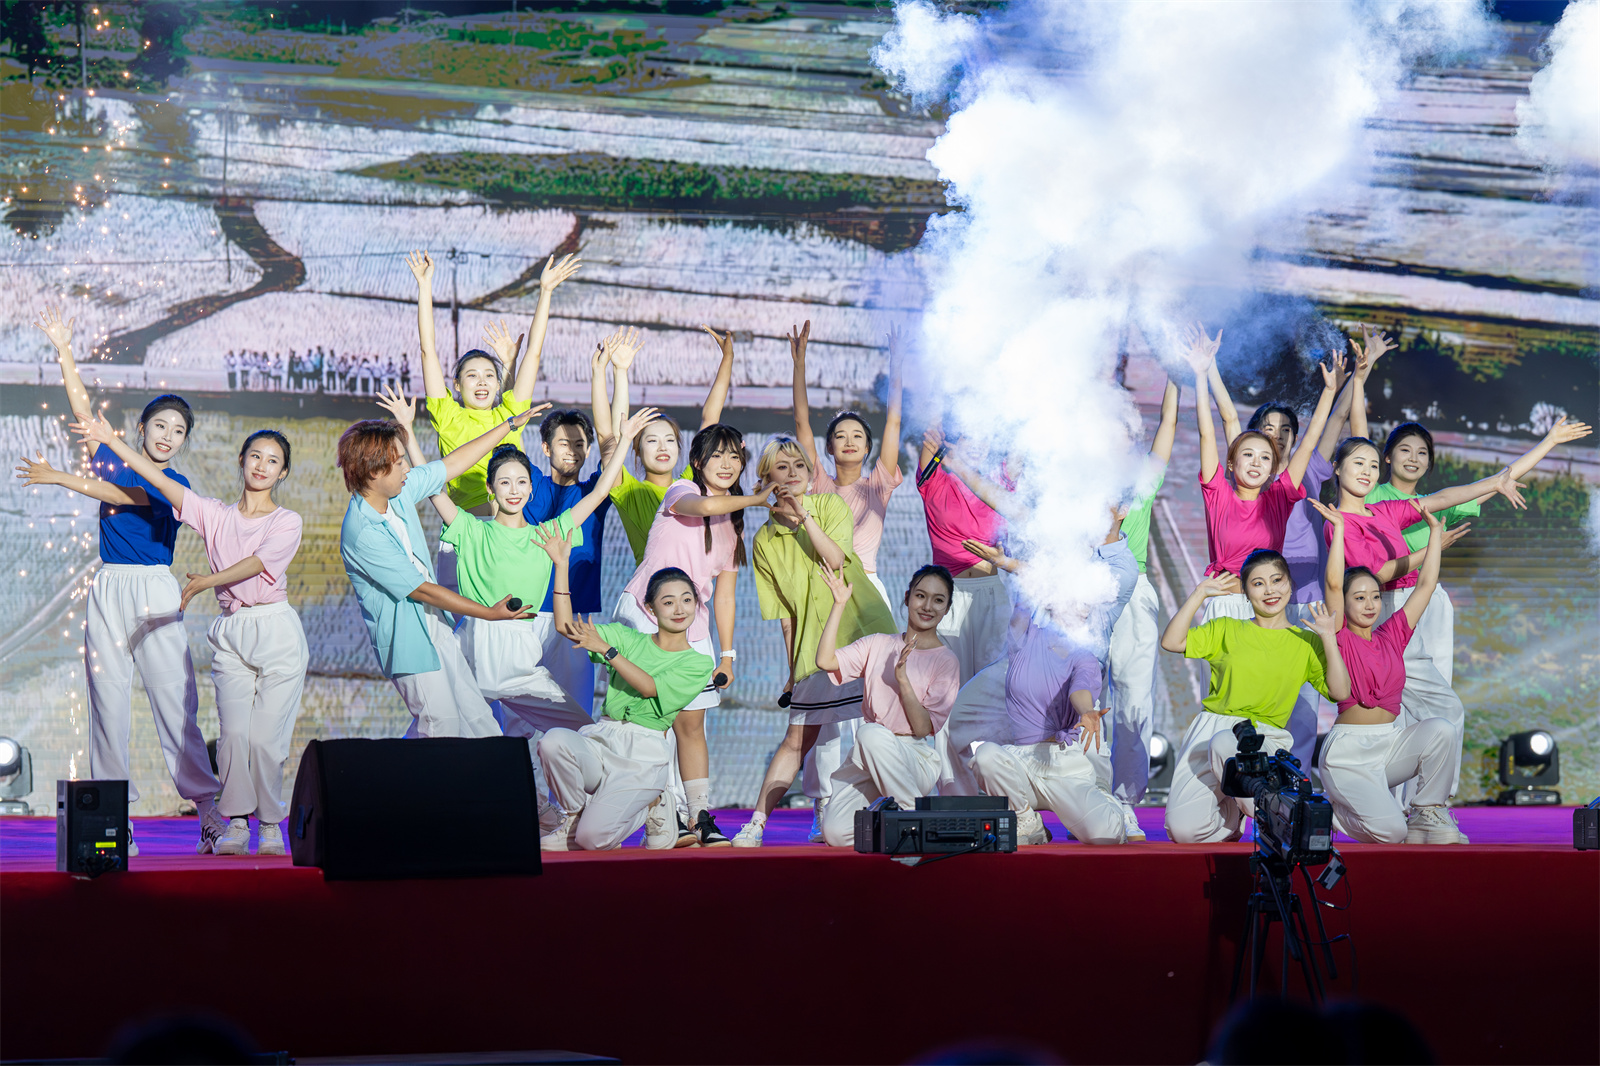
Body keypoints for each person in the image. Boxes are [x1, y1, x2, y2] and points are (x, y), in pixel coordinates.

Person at [380, 386, 657, 815]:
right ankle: (384, 798)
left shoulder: (548, 534)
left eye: (521, 482)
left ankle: (575, 812)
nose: (514, 489)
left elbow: (600, 491)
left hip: (522, 663)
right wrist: (407, 430)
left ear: (530, 490)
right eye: (505, 482)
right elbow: (432, 484)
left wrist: (625, 441)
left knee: (583, 731)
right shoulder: (470, 529)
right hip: (471, 657)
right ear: (490, 489)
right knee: (437, 736)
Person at [18, 308, 224, 857]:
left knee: (174, 700)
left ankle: (208, 810)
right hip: (109, 588)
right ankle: (115, 818)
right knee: (106, 701)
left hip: (154, 589)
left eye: (178, 431)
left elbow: (123, 497)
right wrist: (65, 349)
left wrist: (61, 477)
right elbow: (83, 410)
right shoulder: (111, 460)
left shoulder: (173, 482)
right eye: (161, 426)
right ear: (142, 429)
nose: (169, 436)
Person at [73, 417, 307, 858]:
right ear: (241, 460)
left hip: (273, 626)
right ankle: (235, 821)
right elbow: (154, 479)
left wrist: (207, 581)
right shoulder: (214, 513)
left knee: (260, 740)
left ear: (283, 472)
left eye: (273, 461)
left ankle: (266, 822)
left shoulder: (287, 520)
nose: (262, 466)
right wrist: (110, 441)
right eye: (255, 456)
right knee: (232, 738)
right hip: (228, 627)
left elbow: (258, 563)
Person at [336, 405, 547, 738]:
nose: (407, 468)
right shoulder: (362, 532)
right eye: (399, 462)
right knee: (441, 727)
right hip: (410, 642)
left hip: (437, 627)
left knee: (482, 724)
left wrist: (509, 425)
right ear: (374, 471)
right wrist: (489, 613)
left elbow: (452, 464)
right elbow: (422, 589)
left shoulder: (397, 494)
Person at [729, 436, 897, 847]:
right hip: (814, 649)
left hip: (863, 633)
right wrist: (792, 672)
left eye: (799, 466)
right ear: (765, 478)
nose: (792, 474)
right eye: (782, 467)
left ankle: (901, 813)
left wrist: (804, 516)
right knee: (797, 739)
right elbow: (786, 617)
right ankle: (756, 824)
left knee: (884, 729)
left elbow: (835, 560)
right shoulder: (763, 541)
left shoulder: (830, 507)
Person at [615, 424, 768, 846]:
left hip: (691, 625)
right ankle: (663, 815)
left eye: (734, 457)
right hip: (647, 614)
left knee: (692, 723)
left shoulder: (734, 524)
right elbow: (703, 506)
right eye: (717, 455)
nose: (727, 464)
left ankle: (698, 816)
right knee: (654, 722)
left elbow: (725, 596)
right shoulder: (680, 490)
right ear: (697, 462)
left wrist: (728, 655)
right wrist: (755, 499)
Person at [788, 321, 906, 831]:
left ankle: (872, 797)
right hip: (826, 594)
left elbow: (895, 420)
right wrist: (799, 365)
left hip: (869, 592)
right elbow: (800, 423)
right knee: (825, 703)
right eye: (841, 436)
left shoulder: (880, 483)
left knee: (872, 700)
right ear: (830, 448)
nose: (850, 441)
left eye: (859, 435)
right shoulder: (818, 483)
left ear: (869, 446)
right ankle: (823, 805)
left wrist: (898, 366)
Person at [1158, 550, 1350, 844]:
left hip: (1263, 738)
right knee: (1183, 831)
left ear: (1290, 585)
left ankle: (1264, 812)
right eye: (1258, 584)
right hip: (1211, 730)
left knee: (1227, 743)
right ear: (1246, 593)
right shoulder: (1226, 628)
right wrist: (1199, 594)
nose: (1270, 590)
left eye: (1277, 580)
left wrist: (1327, 638)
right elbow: (1172, 642)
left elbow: (1340, 692)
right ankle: (1234, 814)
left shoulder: (1306, 641)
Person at [535, 548, 715, 853]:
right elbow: (566, 628)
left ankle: (653, 802)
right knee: (553, 742)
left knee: (592, 841)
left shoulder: (697, 663)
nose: (679, 609)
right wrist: (561, 565)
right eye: (668, 602)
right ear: (650, 608)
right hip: (603, 740)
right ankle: (574, 818)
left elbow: (648, 687)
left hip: (643, 756)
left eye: (687, 600)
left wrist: (608, 652)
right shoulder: (626, 637)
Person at [1312, 500, 1462, 843]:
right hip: (1348, 755)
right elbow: (1333, 584)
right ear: (1345, 603)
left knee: (1441, 728)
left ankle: (1426, 810)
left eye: (1375, 597)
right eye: (1359, 598)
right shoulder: (1341, 635)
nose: (1369, 605)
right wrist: (1339, 532)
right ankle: (1333, 810)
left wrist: (1434, 535)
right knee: (1393, 833)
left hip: (1389, 745)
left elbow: (1425, 586)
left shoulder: (1392, 634)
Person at [1183, 323, 1339, 626]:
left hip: (1267, 610)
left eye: (1265, 457)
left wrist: (1330, 392)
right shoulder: (1218, 493)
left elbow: (1308, 443)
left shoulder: (1279, 497)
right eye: (1248, 455)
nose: (1256, 463)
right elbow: (1208, 431)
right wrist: (1202, 373)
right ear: (1231, 464)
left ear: (1272, 468)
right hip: (1224, 607)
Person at [809, 564, 962, 847]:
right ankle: (896, 818)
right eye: (921, 596)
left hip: (913, 757)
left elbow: (922, 728)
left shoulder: (946, 661)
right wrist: (839, 605)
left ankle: (914, 819)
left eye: (938, 600)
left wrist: (903, 680)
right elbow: (825, 661)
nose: (927, 606)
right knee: (836, 833)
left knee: (869, 732)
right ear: (907, 598)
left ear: (947, 608)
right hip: (869, 755)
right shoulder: (877, 644)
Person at [1104, 377, 1178, 839]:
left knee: (1134, 699)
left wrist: (1175, 377)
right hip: (1085, 593)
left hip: (1134, 594)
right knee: (1083, 699)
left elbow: (1168, 424)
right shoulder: (1072, 484)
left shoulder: (1142, 480)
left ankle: (1125, 800)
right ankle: (1087, 794)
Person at [601, 324, 735, 564]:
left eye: (670, 440)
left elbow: (710, 420)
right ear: (637, 450)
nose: (663, 447)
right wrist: (620, 372)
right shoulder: (629, 491)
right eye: (652, 440)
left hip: (692, 587)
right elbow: (612, 438)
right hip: (651, 586)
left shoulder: (689, 484)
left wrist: (727, 359)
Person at [915, 420, 1010, 684]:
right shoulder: (935, 481)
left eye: (984, 438)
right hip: (949, 594)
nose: (978, 445)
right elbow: (931, 427)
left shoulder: (998, 482)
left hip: (990, 594)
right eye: (970, 437)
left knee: (991, 682)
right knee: (947, 682)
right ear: (955, 440)